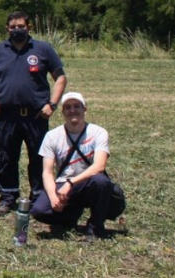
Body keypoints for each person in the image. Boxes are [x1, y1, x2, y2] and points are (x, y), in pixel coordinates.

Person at [0, 11, 67, 216]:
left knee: (38, 157)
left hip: (36, 116)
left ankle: (38, 196)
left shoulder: (43, 49)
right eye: (13, 27)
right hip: (6, 115)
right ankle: (8, 197)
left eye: (21, 26)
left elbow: (60, 78)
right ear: (7, 29)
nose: (17, 30)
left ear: (29, 27)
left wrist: (52, 105)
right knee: (7, 157)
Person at [30, 92, 113, 239]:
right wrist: (53, 196)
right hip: (62, 184)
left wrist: (70, 183)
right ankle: (70, 215)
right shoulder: (52, 136)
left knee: (101, 181)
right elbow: (47, 172)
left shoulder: (98, 132)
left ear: (84, 109)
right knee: (39, 210)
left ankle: (95, 226)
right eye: (68, 107)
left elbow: (99, 167)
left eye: (77, 106)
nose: (72, 110)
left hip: (88, 183)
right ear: (62, 112)